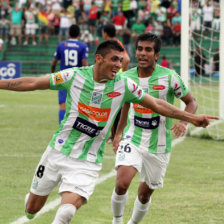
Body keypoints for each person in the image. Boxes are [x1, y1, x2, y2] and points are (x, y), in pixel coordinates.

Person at [0, 40, 218, 224]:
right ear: (99, 59)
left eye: (121, 60)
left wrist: (191, 118)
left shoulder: (124, 85)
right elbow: (34, 82)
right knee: (31, 210)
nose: (119, 64)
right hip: (56, 151)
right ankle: (32, 199)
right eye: (114, 59)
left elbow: (158, 104)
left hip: (87, 161)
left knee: (66, 212)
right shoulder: (74, 76)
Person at [111, 32, 198, 224]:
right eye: (140, 49)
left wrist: (184, 122)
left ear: (156, 55)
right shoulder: (126, 77)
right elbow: (125, 106)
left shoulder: (170, 77)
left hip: (159, 144)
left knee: (144, 195)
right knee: (122, 183)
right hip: (132, 137)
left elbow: (191, 102)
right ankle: (116, 221)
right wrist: (118, 134)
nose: (142, 53)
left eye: (148, 50)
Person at [51, 24, 88, 124]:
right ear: (79, 34)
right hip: (77, 78)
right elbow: (84, 63)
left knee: (63, 104)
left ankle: (61, 126)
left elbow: (54, 62)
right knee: (79, 104)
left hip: (63, 78)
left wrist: (52, 74)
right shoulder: (83, 46)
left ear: (68, 33)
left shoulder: (61, 45)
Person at [102, 23, 130, 141]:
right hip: (114, 77)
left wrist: (119, 73)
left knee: (115, 106)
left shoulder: (112, 44)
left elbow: (127, 59)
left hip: (114, 78)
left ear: (105, 33)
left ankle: (115, 136)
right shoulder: (116, 43)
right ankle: (114, 135)